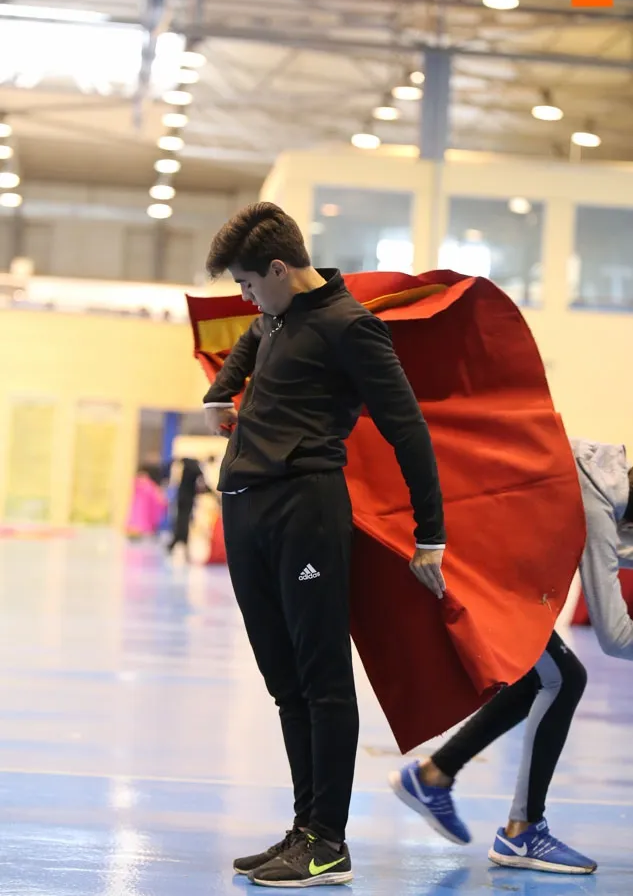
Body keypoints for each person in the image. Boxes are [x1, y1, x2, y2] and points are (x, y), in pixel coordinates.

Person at [202, 202, 446, 888]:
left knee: (321, 681)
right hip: (245, 510)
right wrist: (222, 390)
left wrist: (430, 532)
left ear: (280, 268)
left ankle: (328, 842)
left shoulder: (349, 326)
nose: (246, 298)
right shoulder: (275, 315)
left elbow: (407, 428)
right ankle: (303, 829)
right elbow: (253, 333)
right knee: (284, 684)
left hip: (304, 512)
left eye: (249, 283)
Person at [390, 436, 633, 875]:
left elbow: (613, 549)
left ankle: (432, 775)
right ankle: (522, 831)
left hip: (470, 553)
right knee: (565, 678)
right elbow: (614, 634)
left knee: (541, 676)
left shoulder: (599, 472)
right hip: (465, 561)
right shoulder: (595, 502)